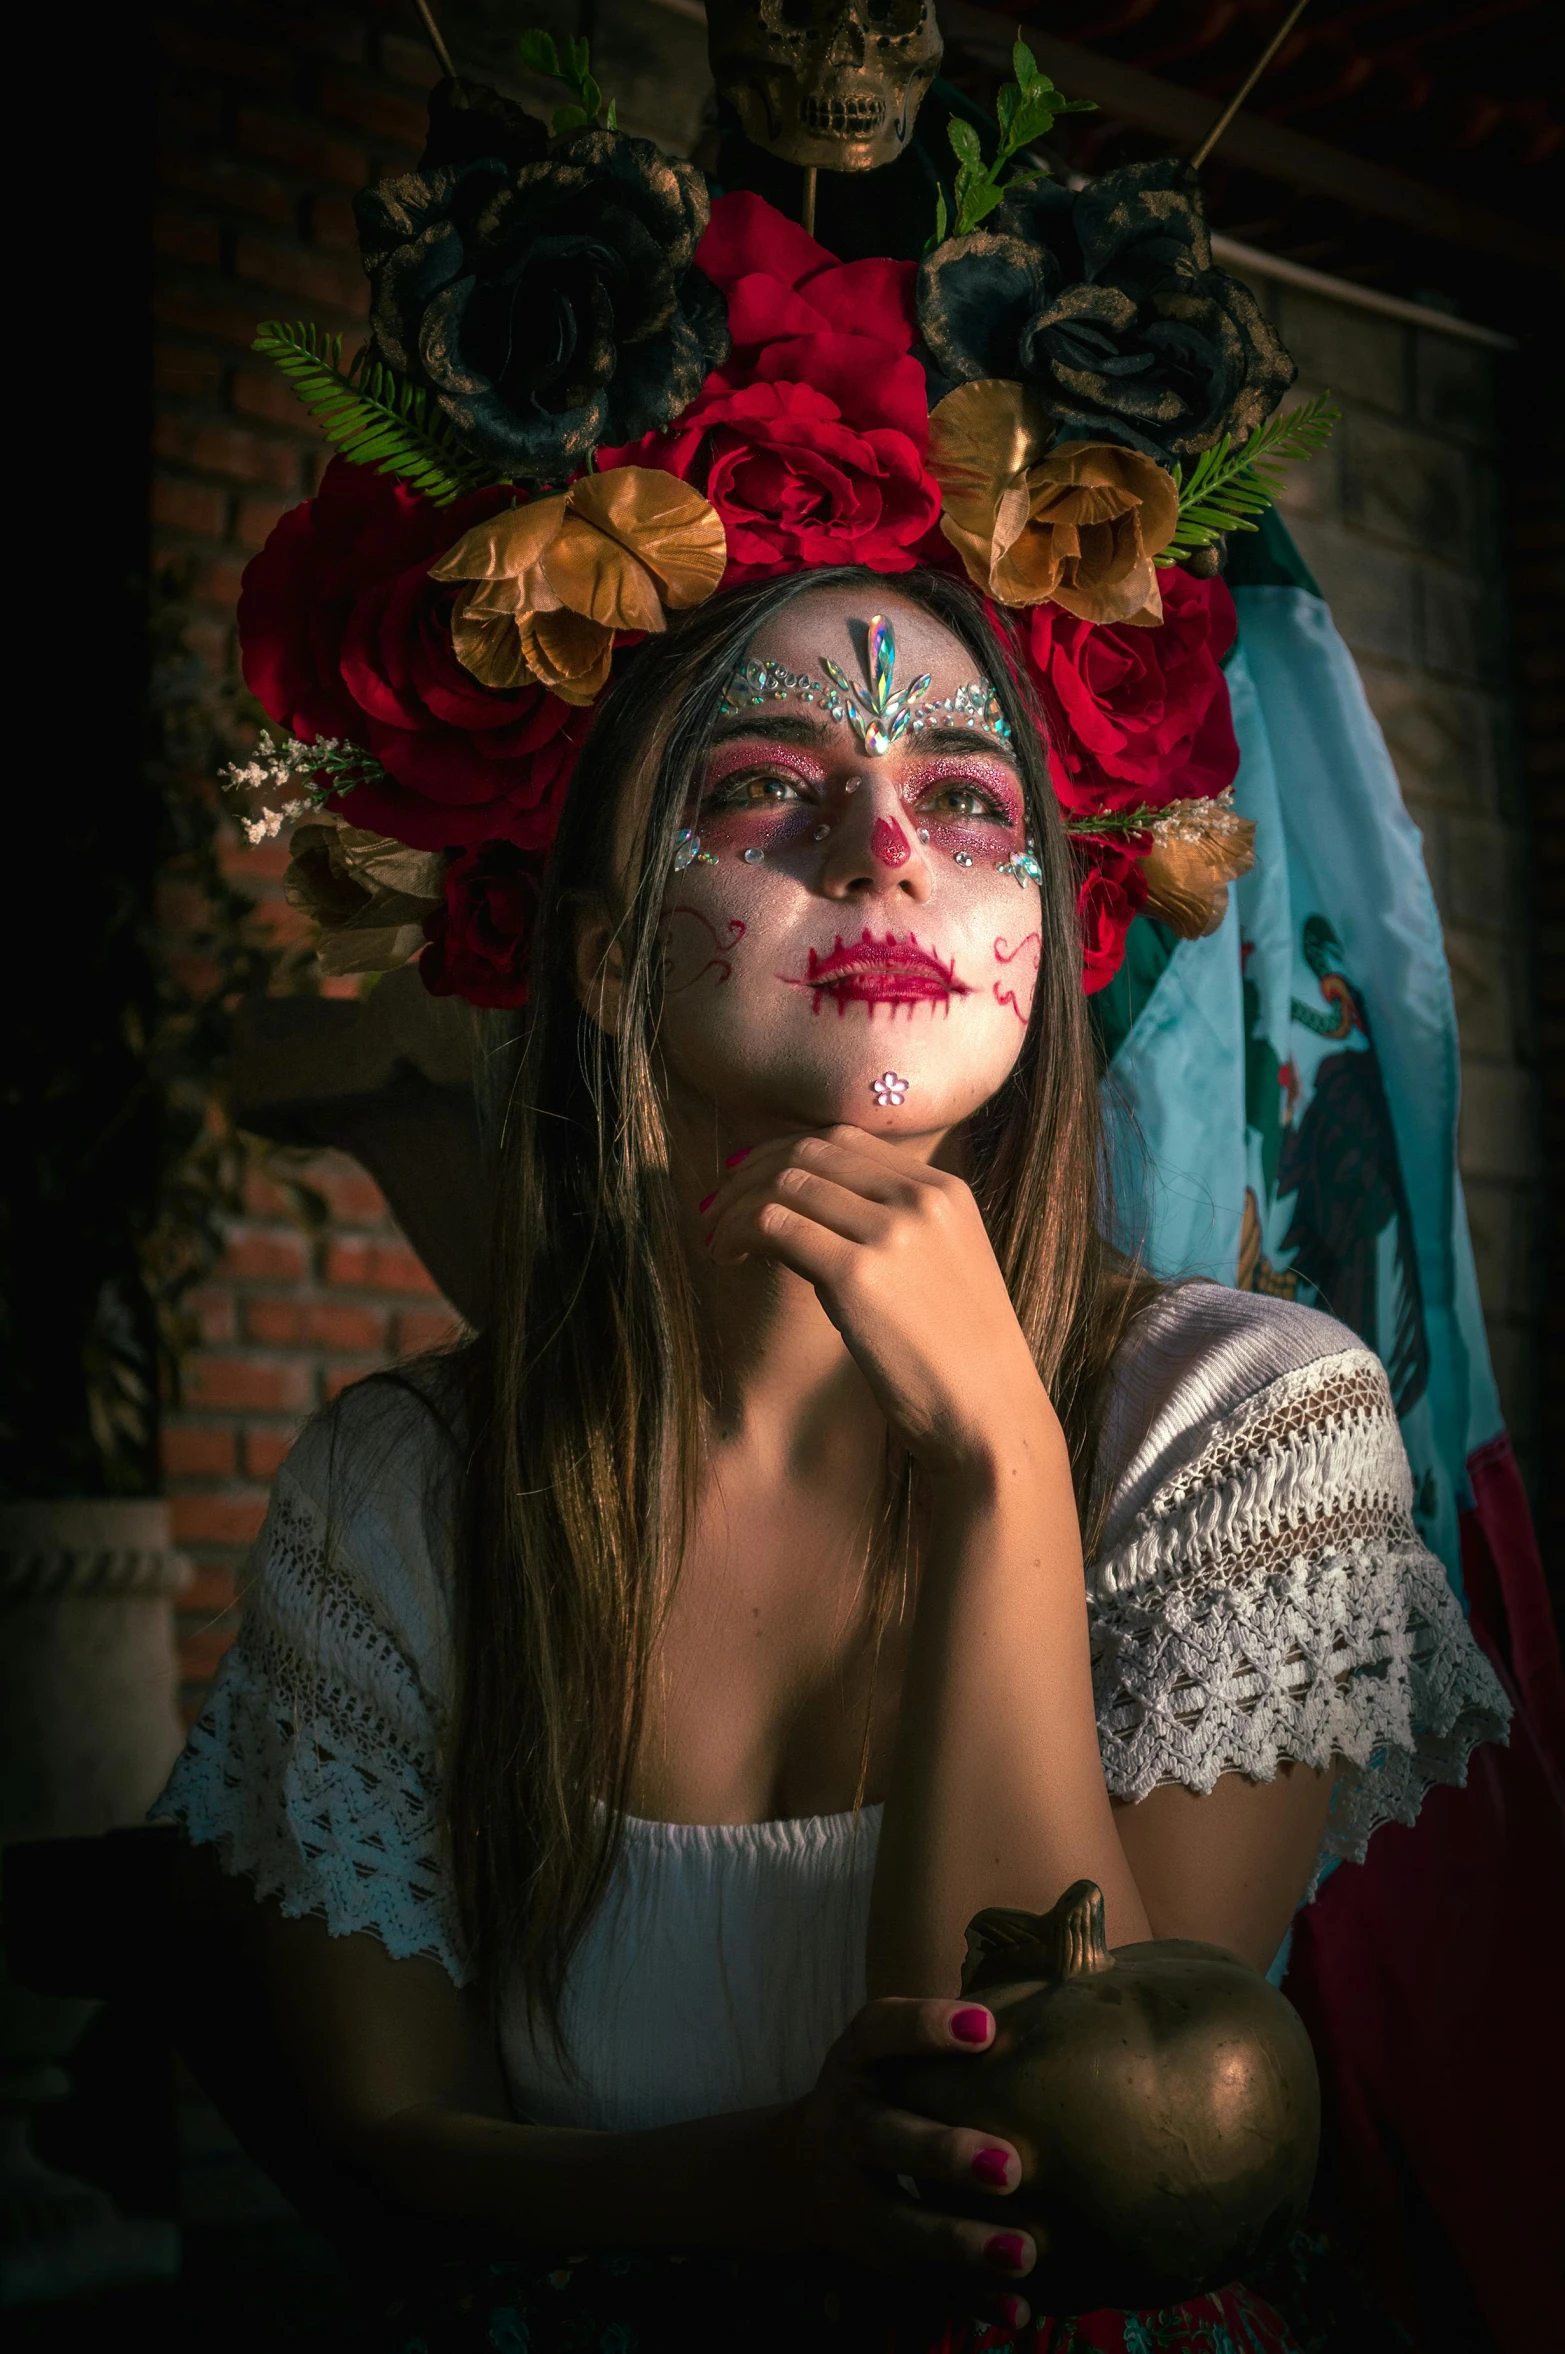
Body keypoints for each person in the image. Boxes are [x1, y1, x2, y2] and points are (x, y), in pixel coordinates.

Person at [158, 565, 1508, 2352]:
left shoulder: (1247, 1431)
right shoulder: (401, 1494)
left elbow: (1051, 2161)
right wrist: (761, 2186)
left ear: (1049, 926)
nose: (886, 848)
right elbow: (389, 2137)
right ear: (596, 946)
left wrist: (1004, 1468)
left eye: (965, 795)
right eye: (764, 785)